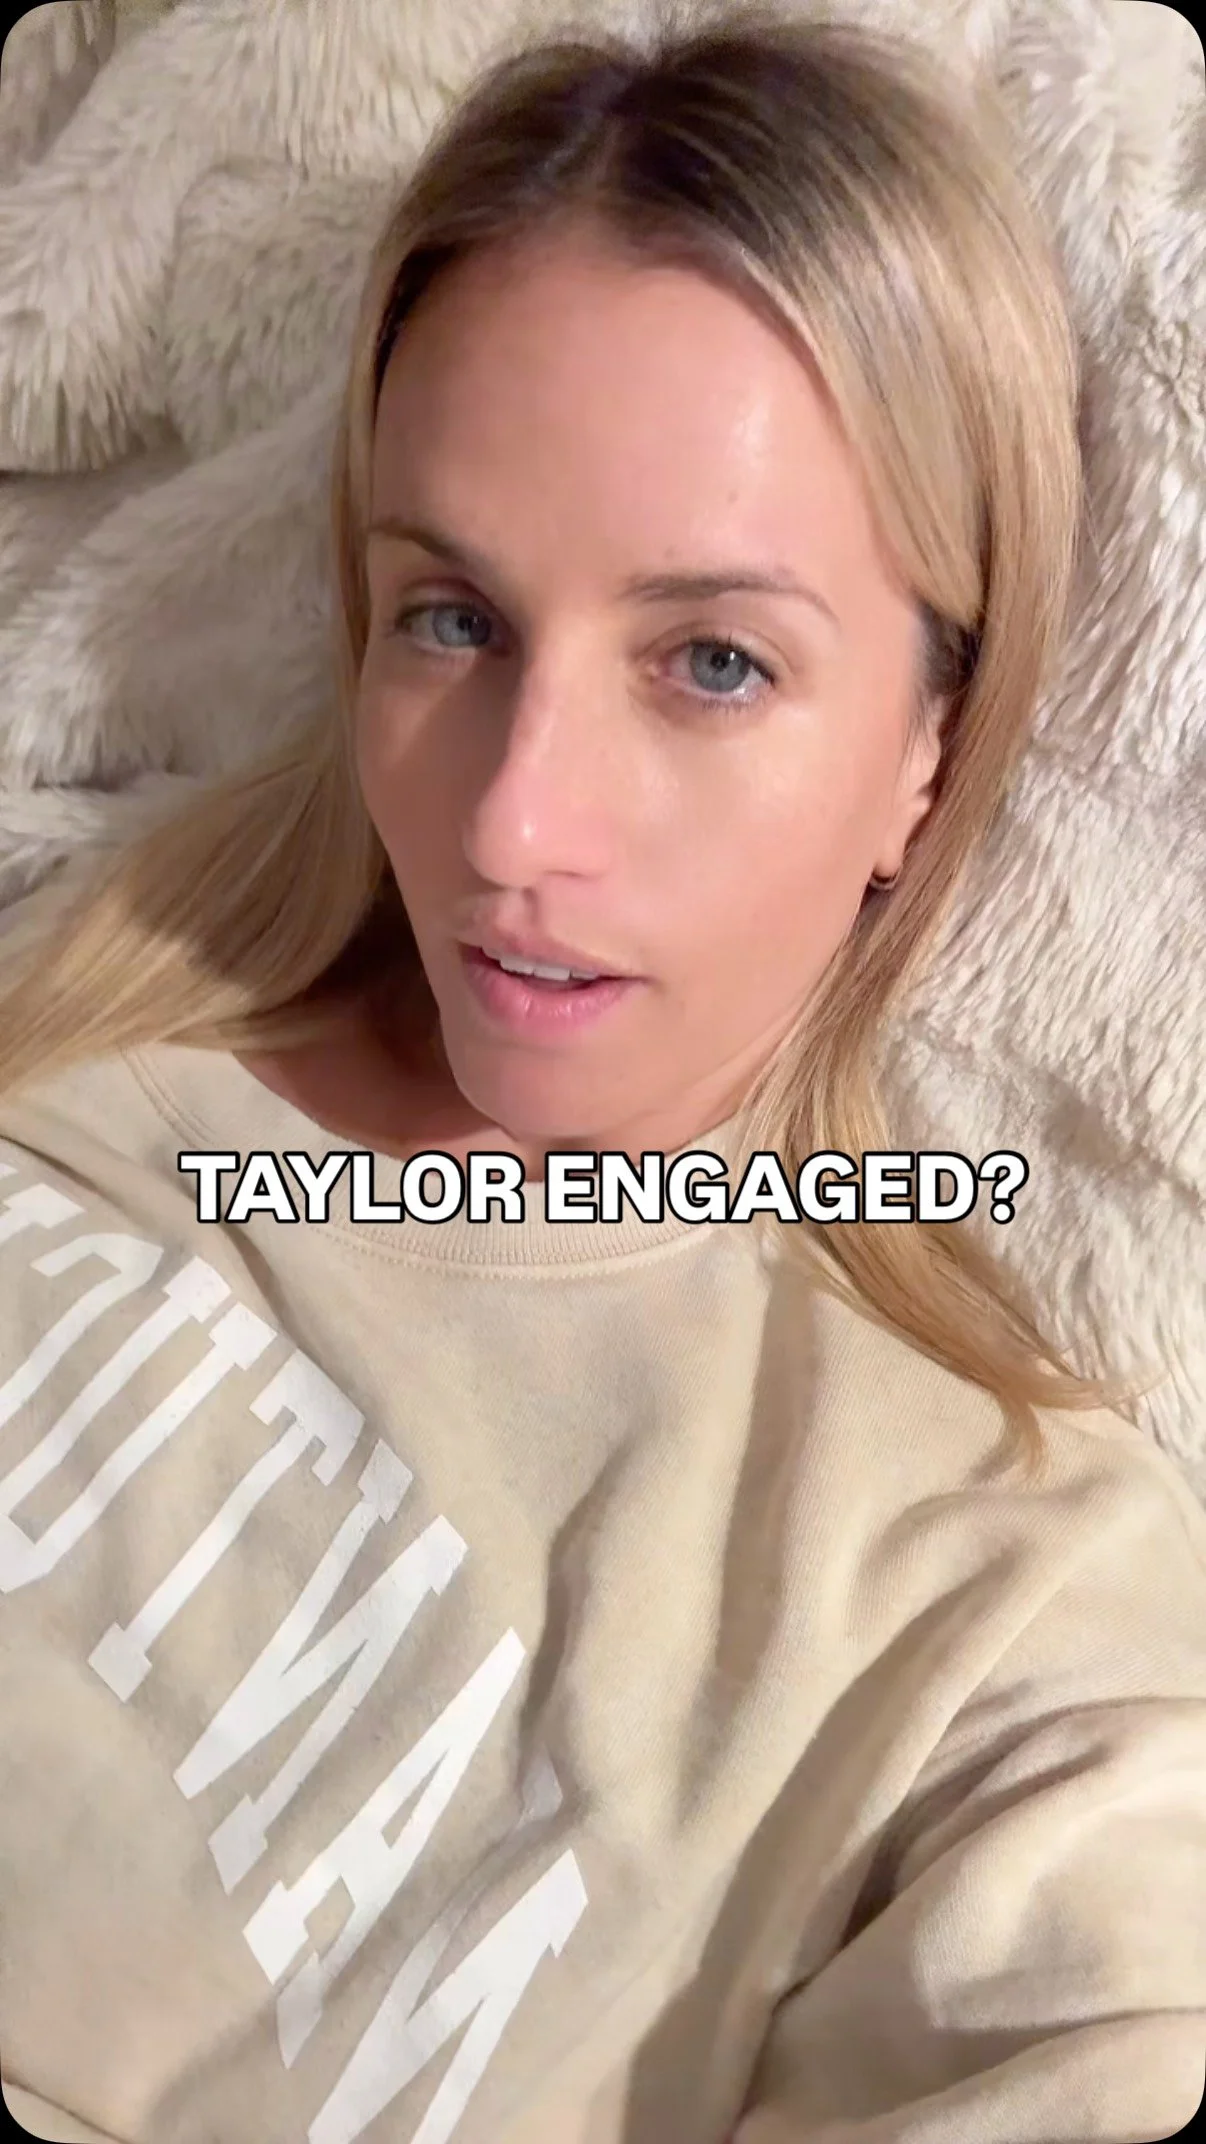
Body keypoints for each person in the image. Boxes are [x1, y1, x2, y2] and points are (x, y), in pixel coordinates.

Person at [0, 10, 1203, 2144]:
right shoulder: (83, 1001)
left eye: (712, 661)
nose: (509, 823)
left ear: (928, 743)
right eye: (450, 619)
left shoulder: (992, 1587)